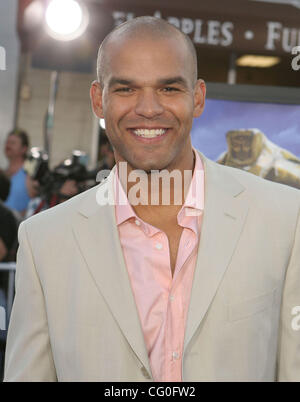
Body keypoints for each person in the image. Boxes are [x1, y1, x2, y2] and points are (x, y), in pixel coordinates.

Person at [4, 17, 300, 382]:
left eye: (169, 88)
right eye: (126, 89)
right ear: (99, 100)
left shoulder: (284, 219)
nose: (148, 109)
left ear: (197, 98)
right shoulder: (44, 241)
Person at [4, 129, 32, 215]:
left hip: (18, 225)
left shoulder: (29, 173)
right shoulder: (3, 173)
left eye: (13, 143)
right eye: (7, 142)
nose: (8, 145)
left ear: (24, 149)